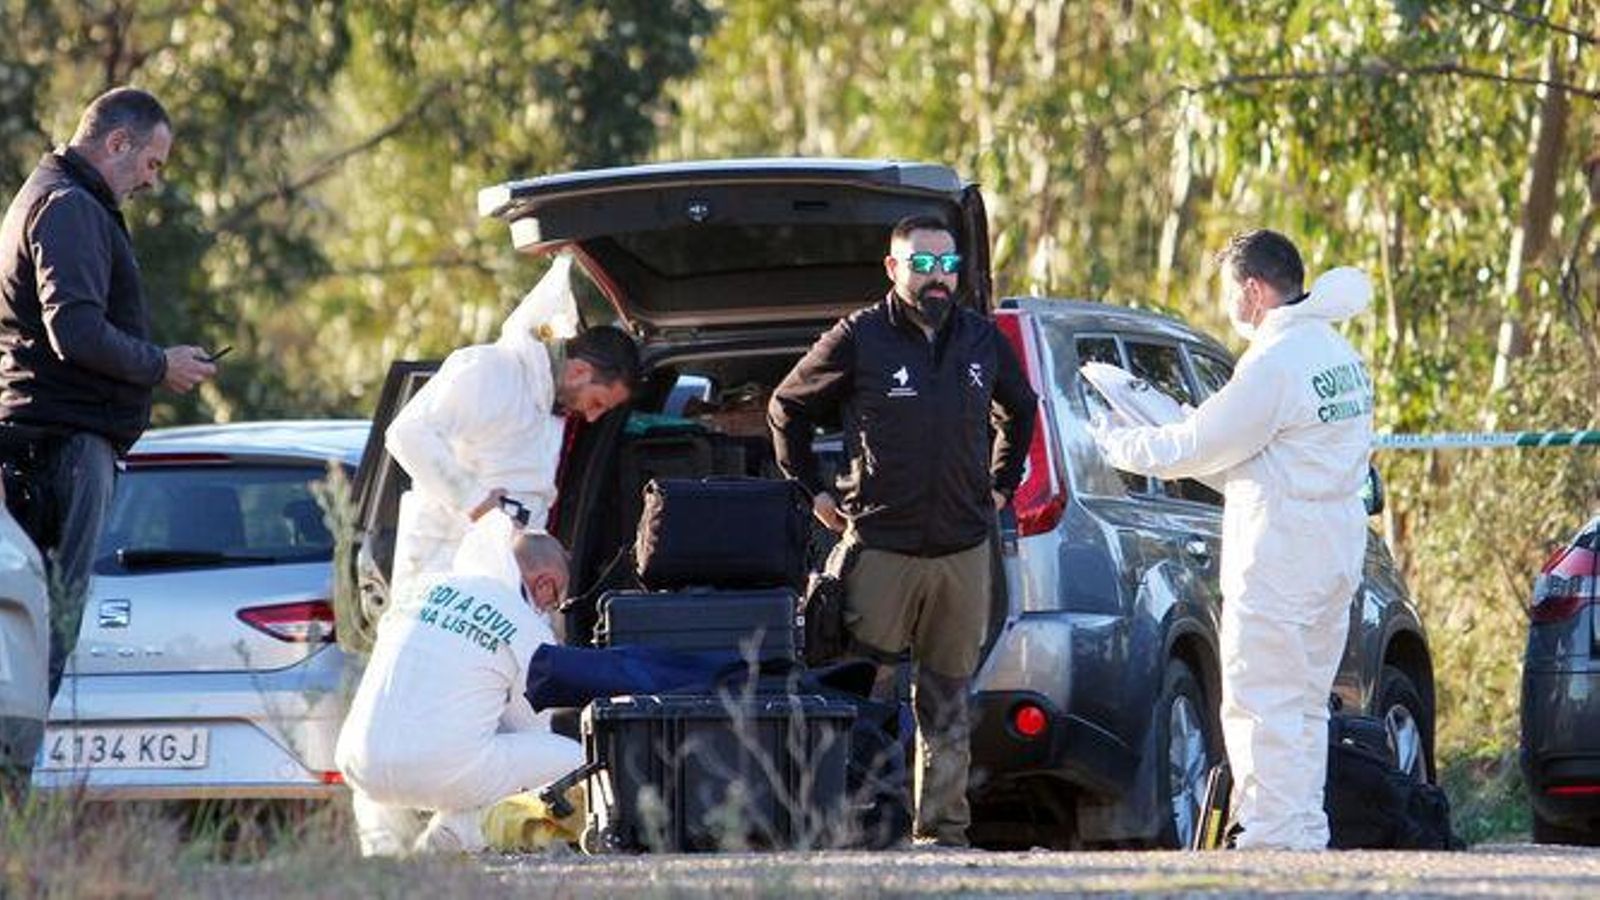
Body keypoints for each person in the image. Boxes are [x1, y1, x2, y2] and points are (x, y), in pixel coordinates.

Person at [1089, 230, 1376, 851]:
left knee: (1260, 698)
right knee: (1305, 703)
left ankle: (1271, 837)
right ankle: (1302, 831)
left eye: (1228, 293)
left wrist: (1116, 441)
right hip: (1332, 550)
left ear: (1253, 290)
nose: (1227, 307)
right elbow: (1257, 454)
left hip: (1282, 554)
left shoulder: (1275, 362)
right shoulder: (1336, 352)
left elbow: (1197, 446)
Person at [768, 214, 1037, 847]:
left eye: (947, 265)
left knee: (947, 699)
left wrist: (1001, 486)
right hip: (880, 547)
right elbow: (787, 408)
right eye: (922, 264)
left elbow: (1021, 409)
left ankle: (941, 833)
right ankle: (849, 833)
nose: (937, 277)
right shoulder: (859, 337)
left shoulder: (980, 338)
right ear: (893, 268)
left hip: (962, 550)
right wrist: (815, 493)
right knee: (861, 693)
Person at [0, 87, 216, 698]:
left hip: (50, 446)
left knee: (34, 636)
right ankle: (19, 760)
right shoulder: (69, 206)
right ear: (118, 142)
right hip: (60, 451)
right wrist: (159, 365)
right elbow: (75, 331)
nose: (151, 181)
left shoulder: (56, 198)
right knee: (47, 635)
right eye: (151, 163)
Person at [336, 516, 584, 855]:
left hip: (359, 766)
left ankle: (381, 849)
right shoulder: (527, 625)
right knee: (574, 760)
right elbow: (529, 727)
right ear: (545, 584)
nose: (549, 609)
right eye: (554, 600)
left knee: (383, 748)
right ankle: (451, 836)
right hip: (441, 770)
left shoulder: (417, 590)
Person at [384, 313, 639, 603]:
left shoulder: (548, 408)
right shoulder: (491, 370)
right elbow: (408, 434)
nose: (592, 417)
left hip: (503, 582)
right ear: (579, 371)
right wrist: (475, 502)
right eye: (596, 402)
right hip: (444, 571)